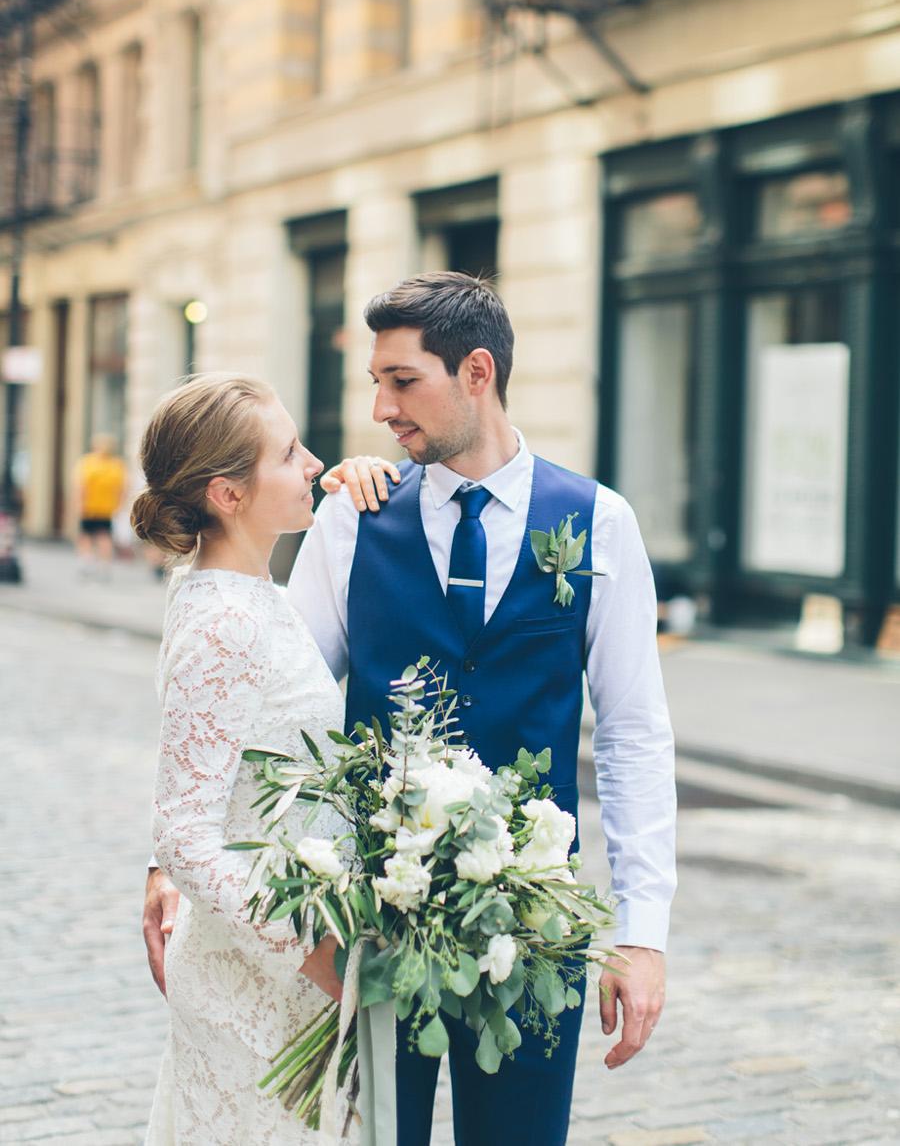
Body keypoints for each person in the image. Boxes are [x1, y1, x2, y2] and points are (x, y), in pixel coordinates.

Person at [144, 273, 677, 1146]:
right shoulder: (351, 522)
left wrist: (643, 933)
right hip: (366, 935)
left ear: (476, 372)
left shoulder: (600, 524)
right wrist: (166, 862)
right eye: (376, 383)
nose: (383, 407)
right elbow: (259, 718)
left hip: (532, 935)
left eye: (403, 381)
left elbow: (633, 737)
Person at [133, 374, 348, 1145]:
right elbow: (185, 832)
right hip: (255, 978)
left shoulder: (261, 596)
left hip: (289, 971)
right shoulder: (222, 620)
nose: (314, 461)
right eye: (289, 452)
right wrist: (313, 949)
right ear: (228, 493)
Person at [72, 433, 127, 578]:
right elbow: (122, 489)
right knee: (104, 537)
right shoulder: (116, 465)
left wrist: (78, 504)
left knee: (86, 536)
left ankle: (86, 562)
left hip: (89, 507)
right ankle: (104, 565)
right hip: (107, 509)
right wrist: (119, 505)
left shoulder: (87, 462)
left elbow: (80, 486)